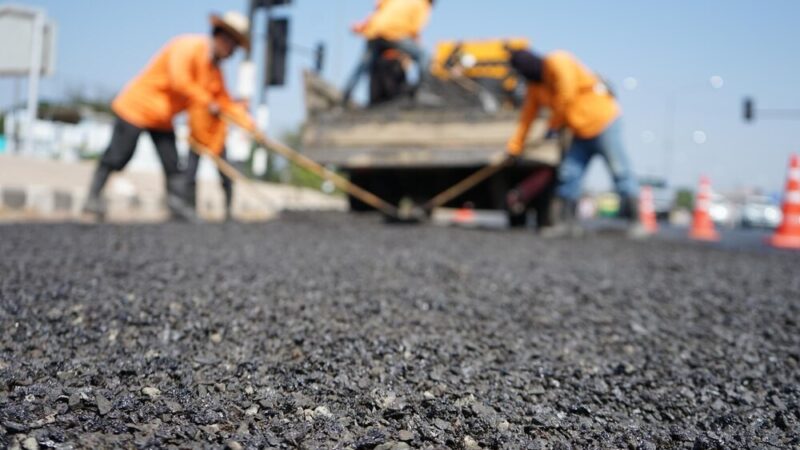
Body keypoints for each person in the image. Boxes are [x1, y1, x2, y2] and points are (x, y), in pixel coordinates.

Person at [83, 11, 254, 221]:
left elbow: (224, 101)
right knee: (118, 156)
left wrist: (249, 125)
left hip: (163, 119)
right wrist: (207, 102)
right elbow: (179, 81)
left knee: (172, 165)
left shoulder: (215, 71)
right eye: (233, 47)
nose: (233, 53)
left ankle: (177, 207)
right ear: (223, 38)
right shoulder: (188, 47)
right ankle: (92, 198)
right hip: (137, 108)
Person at [506, 49, 646, 237]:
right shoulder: (535, 87)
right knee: (569, 175)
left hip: (604, 122)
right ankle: (565, 223)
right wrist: (515, 147)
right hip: (579, 132)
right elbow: (527, 119)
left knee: (620, 171)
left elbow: (567, 92)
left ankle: (635, 222)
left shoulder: (559, 61)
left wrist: (554, 125)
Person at [342, 0, 435, 106]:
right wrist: (416, 47)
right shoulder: (422, 5)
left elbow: (378, 9)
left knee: (361, 67)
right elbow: (414, 30)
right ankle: (424, 90)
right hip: (393, 34)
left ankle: (345, 96)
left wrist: (363, 27)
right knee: (423, 55)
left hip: (375, 32)